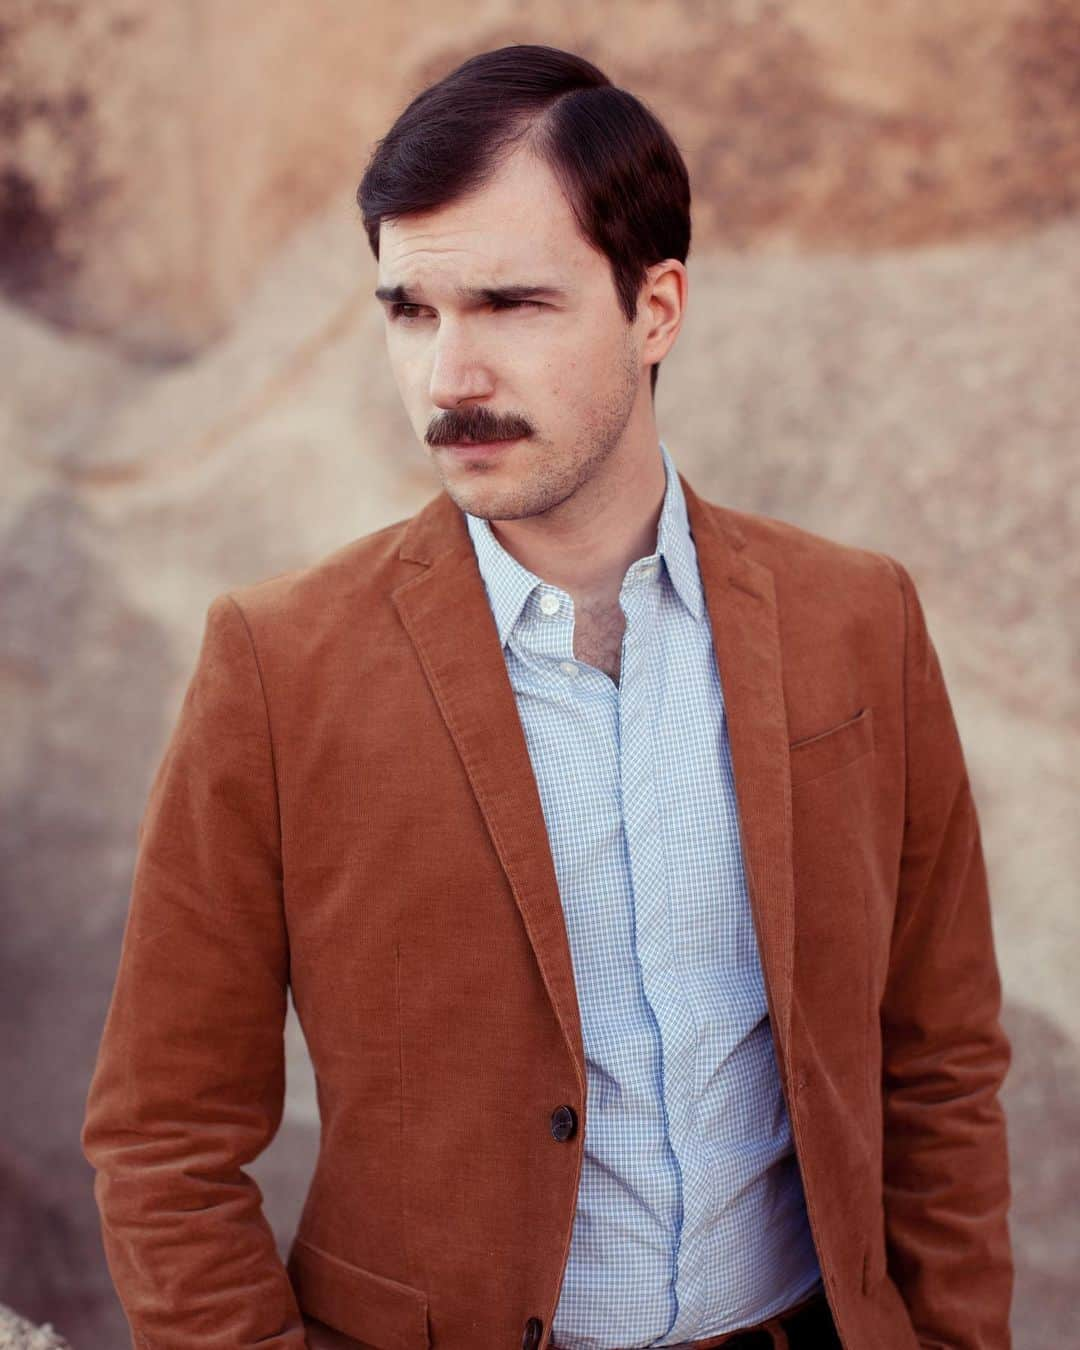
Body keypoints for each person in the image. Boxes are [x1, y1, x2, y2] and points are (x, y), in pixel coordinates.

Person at [82, 42, 1013, 1350]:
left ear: (657, 309)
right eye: (410, 310)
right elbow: (163, 1134)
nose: (447, 375)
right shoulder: (275, 663)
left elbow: (943, 1059)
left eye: (512, 303)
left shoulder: (857, 619)